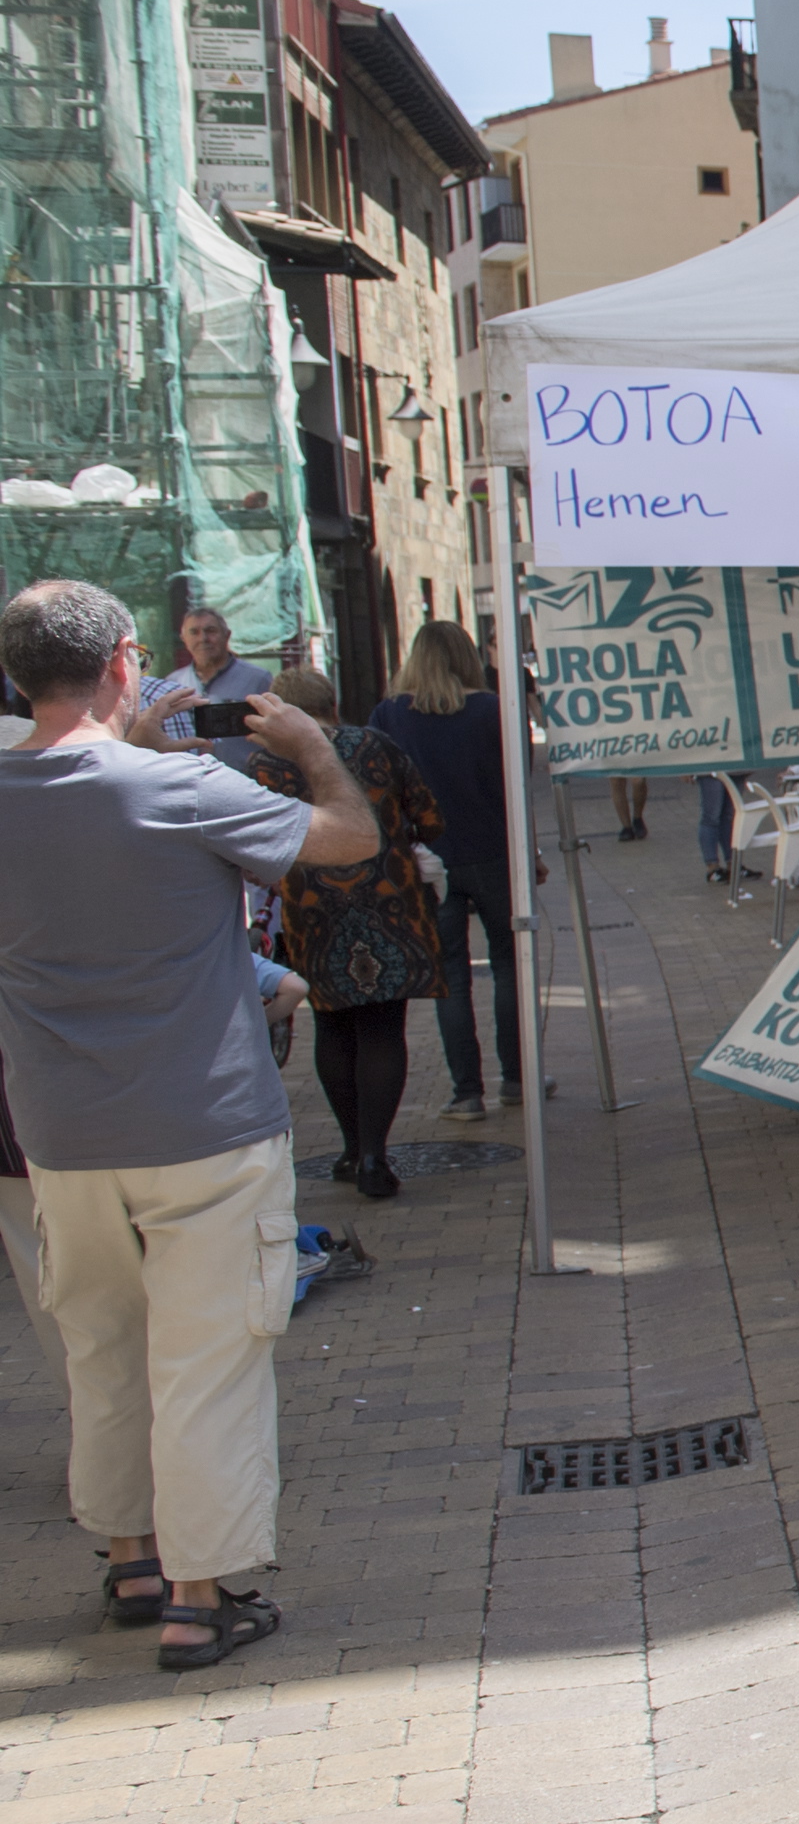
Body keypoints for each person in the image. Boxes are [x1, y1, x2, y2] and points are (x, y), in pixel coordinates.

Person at [0, 578, 376, 1671]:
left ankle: (130, 1557)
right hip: (205, 1123)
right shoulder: (181, 790)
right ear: (127, 661)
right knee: (207, 1362)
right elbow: (348, 840)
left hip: (61, 1133)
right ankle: (199, 1597)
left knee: (103, 1355)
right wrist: (310, 743)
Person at [255, 668, 451, 1203]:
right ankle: (374, 1155)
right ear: (333, 701)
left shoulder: (266, 763)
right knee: (383, 1029)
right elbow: (430, 818)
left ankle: (349, 1147)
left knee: (333, 1027)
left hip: (312, 910)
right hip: (390, 905)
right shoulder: (376, 745)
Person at [367, 620, 522, 1123]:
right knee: (509, 966)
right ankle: (517, 1077)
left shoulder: (390, 714)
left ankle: (467, 1092)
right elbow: (515, 787)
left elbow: (378, 789)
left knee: (451, 977)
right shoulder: (492, 710)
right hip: (495, 851)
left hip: (428, 860)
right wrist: (531, 854)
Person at [136, 599, 273, 771]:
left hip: (246, 780)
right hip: (193, 782)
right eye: (194, 632)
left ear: (227, 635)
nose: (203, 639)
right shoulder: (172, 683)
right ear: (183, 639)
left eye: (211, 631)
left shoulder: (258, 679)